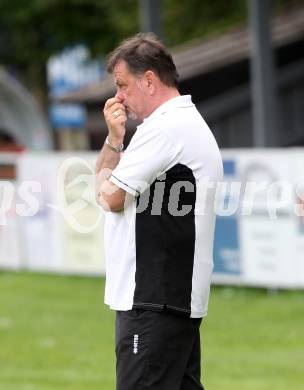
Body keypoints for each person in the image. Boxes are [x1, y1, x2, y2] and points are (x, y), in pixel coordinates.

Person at [95, 32, 223, 390]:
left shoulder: (165, 128)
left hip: (153, 301)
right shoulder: (178, 124)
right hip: (168, 302)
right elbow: (104, 193)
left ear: (149, 79)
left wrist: (109, 178)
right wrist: (114, 139)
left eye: (122, 85)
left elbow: (108, 197)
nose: (117, 97)